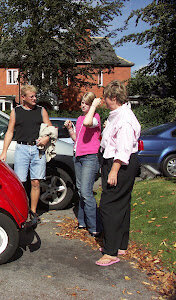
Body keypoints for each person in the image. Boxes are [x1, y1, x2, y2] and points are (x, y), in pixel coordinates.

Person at [95, 80, 141, 267]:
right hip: (115, 163)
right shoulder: (118, 115)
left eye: (106, 97)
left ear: (113, 98)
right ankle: (120, 245)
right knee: (121, 203)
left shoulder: (125, 120)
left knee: (108, 206)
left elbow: (123, 150)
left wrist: (114, 170)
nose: (104, 100)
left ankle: (111, 252)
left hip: (120, 165)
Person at [0, 85, 52, 216]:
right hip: (21, 149)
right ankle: (21, 210)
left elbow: (51, 129)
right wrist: (4, 152)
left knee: (35, 182)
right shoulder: (16, 111)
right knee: (20, 182)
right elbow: (10, 132)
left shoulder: (41, 110)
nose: (35, 99)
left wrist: (46, 138)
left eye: (35, 96)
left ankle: (33, 212)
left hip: (38, 149)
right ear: (23, 97)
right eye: (31, 96)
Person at [64, 92, 101, 237]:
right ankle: (83, 221)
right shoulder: (79, 119)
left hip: (90, 158)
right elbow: (76, 139)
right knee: (80, 191)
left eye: (86, 103)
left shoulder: (95, 118)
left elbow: (88, 123)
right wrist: (70, 129)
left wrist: (95, 106)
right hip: (78, 157)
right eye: (82, 103)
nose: (83, 105)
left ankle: (95, 226)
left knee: (86, 192)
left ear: (92, 105)